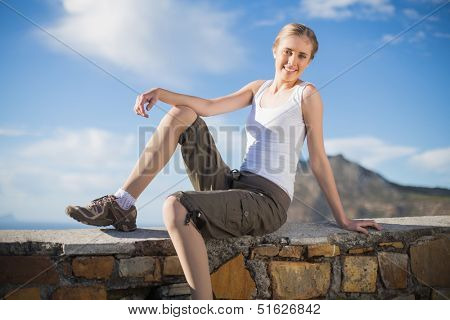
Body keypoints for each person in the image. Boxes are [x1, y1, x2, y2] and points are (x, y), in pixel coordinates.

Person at [66, 23, 382, 299]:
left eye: (302, 56)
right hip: (235, 183)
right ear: (275, 50)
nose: (293, 61)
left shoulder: (307, 95)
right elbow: (208, 105)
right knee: (182, 114)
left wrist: (343, 219)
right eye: (288, 52)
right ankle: (122, 204)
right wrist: (161, 93)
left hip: (266, 201)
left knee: (174, 207)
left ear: (310, 60)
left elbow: (318, 160)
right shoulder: (258, 89)